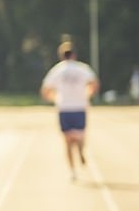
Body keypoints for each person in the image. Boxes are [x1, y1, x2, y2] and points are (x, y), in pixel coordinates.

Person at [40, 39, 99, 181]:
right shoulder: (82, 68)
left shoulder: (57, 70)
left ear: (61, 56)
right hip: (79, 107)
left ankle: (72, 171)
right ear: (74, 55)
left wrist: (54, 99)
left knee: (67, 141)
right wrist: (88, 95)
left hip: (64, 108)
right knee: (80, 136)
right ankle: (80, 150)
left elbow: (45, 89)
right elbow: (94, 83)